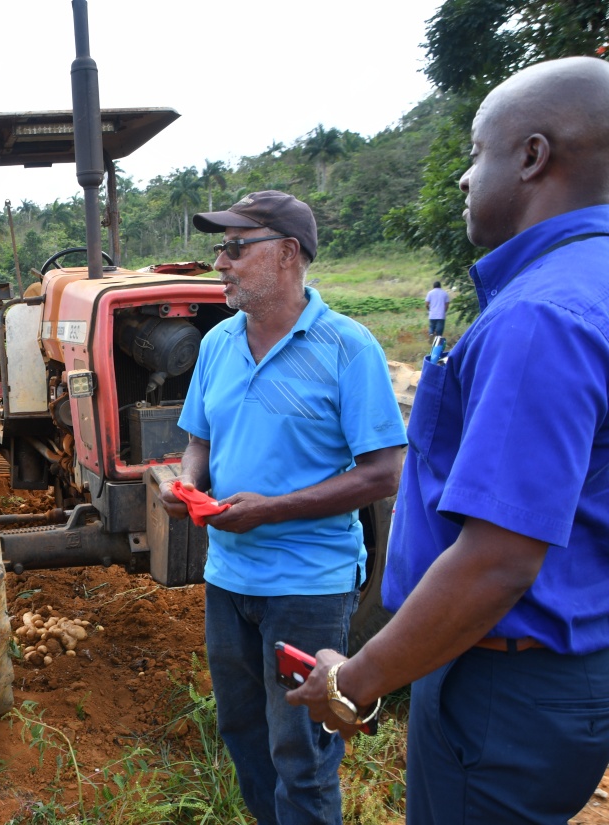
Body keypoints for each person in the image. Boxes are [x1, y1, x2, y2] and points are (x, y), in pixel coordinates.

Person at [287, 56, 609, 824]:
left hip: (503, 687)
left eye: (476, 152)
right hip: (573, 667)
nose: (465, 178)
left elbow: (498, 560)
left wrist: (355, 680)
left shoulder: (541, 318)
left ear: (532, 157)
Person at [158, 190, 406, 825]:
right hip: (228, 579)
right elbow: (198, 443)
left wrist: (269, 511)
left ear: (288, 255)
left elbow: (383, 473)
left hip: (307, 588)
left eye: (236, 248)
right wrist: (184, 484)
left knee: (302, 752)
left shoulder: (348, 348)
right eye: (221, 247)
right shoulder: (217, 343)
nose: (221, 262)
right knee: (244, 736)